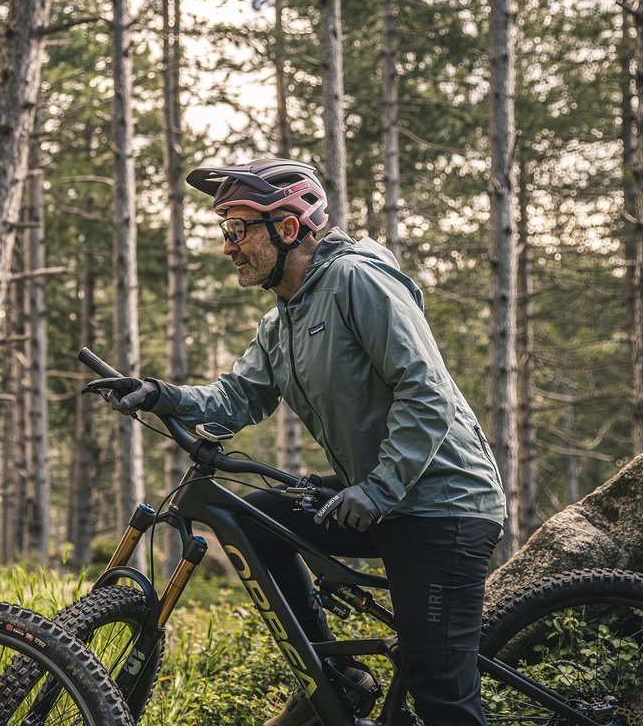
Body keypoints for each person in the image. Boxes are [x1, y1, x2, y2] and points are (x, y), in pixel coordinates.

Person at [97, 158, 506, 726]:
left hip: (442, 504)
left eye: (238, 230)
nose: (228, 247)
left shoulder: (357, 281)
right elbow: (237, 399)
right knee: (253, 521)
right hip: (383, 498)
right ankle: (336, 679)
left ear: (288, 229)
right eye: (225, 232)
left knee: (441, 695)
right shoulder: (284, 318)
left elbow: (427, 391)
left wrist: (380, 489)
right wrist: (158, 395)